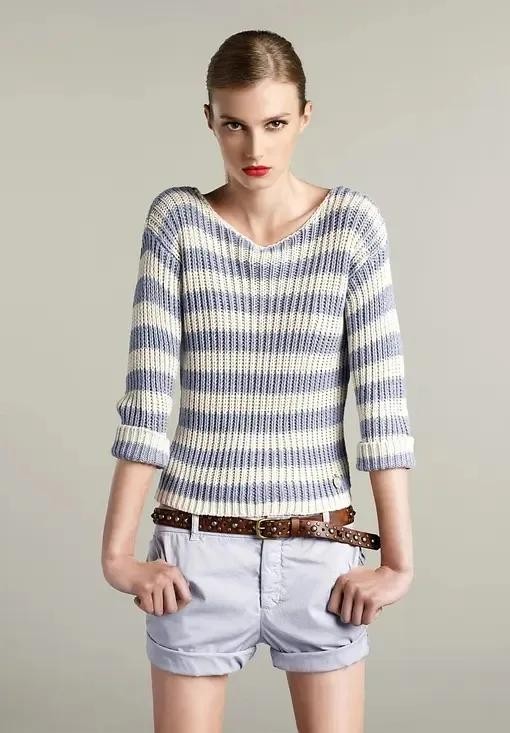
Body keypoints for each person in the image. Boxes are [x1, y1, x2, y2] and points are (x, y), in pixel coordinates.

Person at [101, 29, 416, 733]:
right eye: (234, 125)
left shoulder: (352, 228)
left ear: (305, 116)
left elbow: (383, 407)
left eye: (274, 124)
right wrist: (117, 556)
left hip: (321, 555)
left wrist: (398, 563)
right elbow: (148, 400)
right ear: (209, 119)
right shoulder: (178, 224)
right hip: (196, 554)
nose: (254, 148)